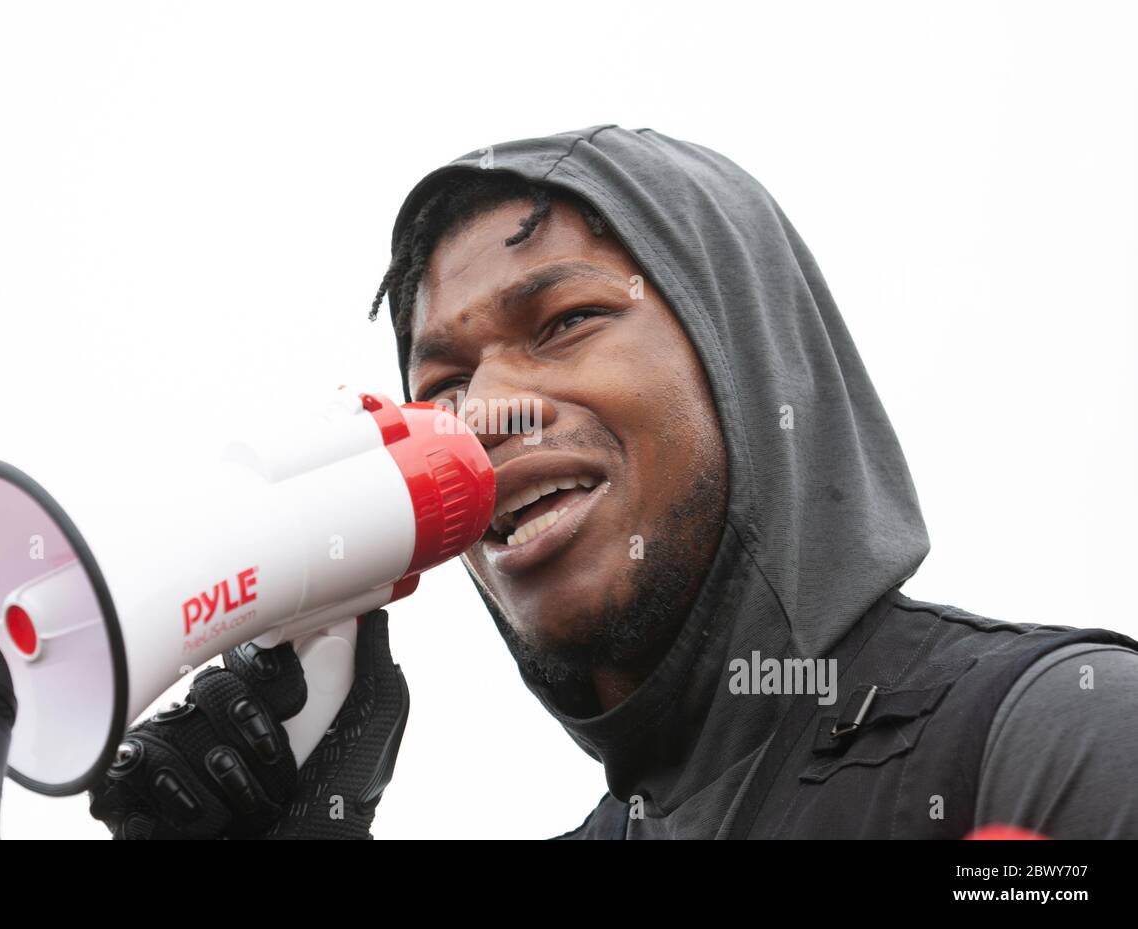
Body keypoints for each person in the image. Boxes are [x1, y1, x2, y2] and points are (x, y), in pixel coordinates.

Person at [89, 125, 1138, 839]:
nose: (482, 412)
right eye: (441, 382)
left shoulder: (1058, 737)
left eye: (564, 322)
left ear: (749, 355)